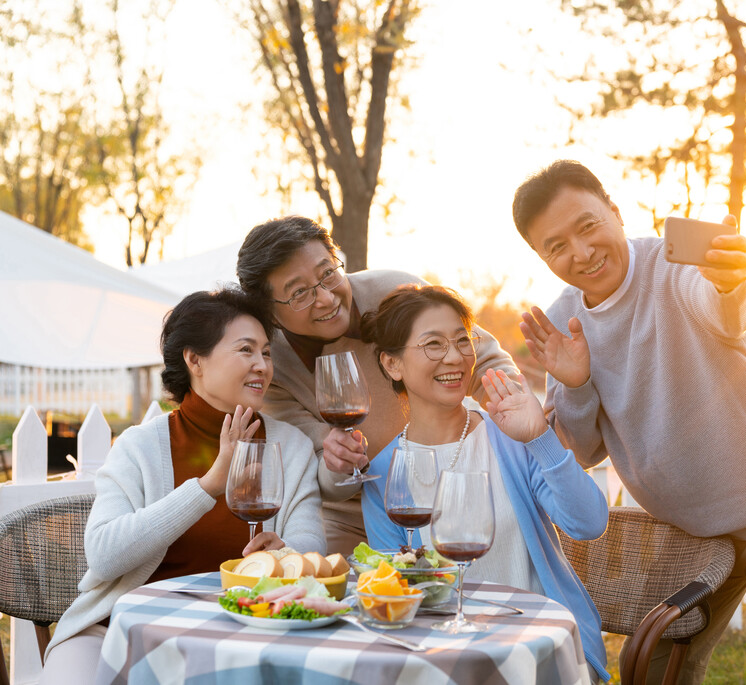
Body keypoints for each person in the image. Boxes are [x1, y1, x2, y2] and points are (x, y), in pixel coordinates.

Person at [512, 160, 746, 684]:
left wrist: (730, 283)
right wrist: (576, 383)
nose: (580, 253)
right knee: (649, 673)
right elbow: (579, 451)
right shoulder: (562, 321)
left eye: (587, 226)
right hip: (694, 533)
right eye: (556, 246)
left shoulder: (676, 267)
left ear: (616, 213)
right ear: (541, 256)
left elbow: (726, 311)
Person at [40, 289, 325, 684]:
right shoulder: (139, 447)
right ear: (194, 360)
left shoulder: (291, 448)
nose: (262, 365)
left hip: (243, 636)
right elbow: (104, 556)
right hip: (117, 631)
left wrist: (287, 555)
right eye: (246, 350)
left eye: (266, 353)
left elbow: (312, 551)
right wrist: (207, 486)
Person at [356, 284, 610, 684]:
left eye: (462, 341)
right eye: (434, 345)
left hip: (542, 648)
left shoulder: (510, 437)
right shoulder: (383, 473)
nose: (455, 357)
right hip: (445, 657)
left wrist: (541, 438)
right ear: (392, 364)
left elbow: (589, 523)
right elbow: (396, 591)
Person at [236, 216, 519, 555]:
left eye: (328, 273)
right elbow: (320, 471)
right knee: (337, 590)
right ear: (269, 312)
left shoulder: (393, 290)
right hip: (349, 513)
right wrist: (337, 462)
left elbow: (484, 360)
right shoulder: (272, 365)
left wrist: (515, 420)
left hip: (436, 485)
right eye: (299, 293)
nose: (325, 299)